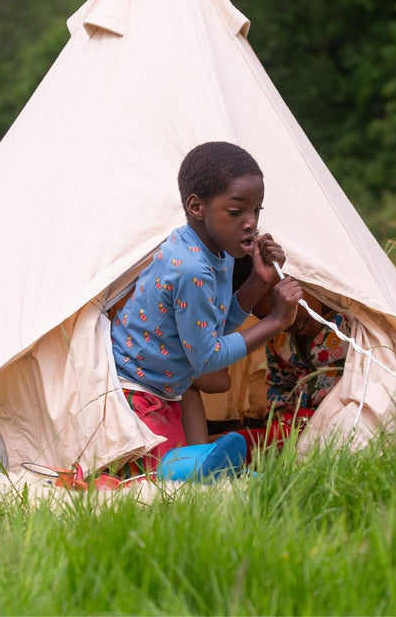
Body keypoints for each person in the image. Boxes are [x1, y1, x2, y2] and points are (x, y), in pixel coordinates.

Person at [111, 141, 303, 474]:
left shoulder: (220, 253)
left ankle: (217, 467)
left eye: (256, 210)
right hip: (135, 393)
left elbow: (217, 325)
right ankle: (220, 469)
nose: (249, 222)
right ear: (197, 206)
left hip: (166, 390)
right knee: (162, 476)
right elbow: (208, 357)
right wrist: (275, 320)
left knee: (179, 468)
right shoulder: (191, 268)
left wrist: (259, 281)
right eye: (236, 211)